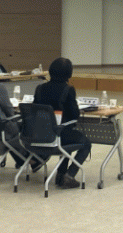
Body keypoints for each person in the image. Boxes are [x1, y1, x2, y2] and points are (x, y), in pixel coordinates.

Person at [33, 58, 91, 189]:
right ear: (69, 74)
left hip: (39, 134)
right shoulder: (68, 89)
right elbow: (74, 115)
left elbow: (34, 110)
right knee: (85, 143)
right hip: (58, 134)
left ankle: (61, 173)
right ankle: (69, 175)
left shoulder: (40, 88)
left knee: (66, 135)